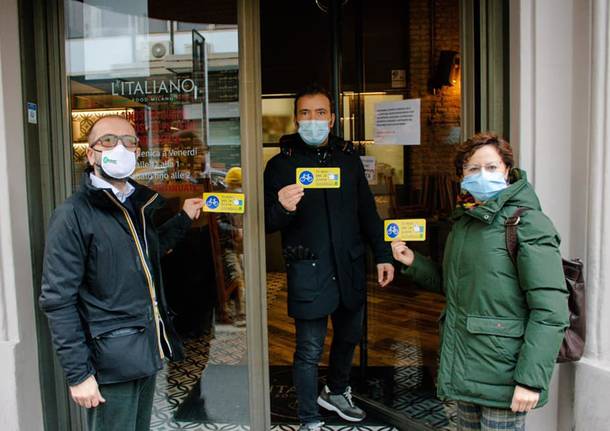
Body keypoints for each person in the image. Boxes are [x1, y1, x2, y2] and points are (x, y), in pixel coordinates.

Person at [391, 133, 569, 431]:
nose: (482, 175)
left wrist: (530, 380)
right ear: (461, 175)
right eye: (473, 169)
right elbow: (454, 286)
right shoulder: (463, 223)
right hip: (464, 365)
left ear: (507, 171)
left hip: (504, 374)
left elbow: (550, 310)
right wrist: (414, 262)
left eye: (491, 167)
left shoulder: (528, 223)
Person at [39, 115, 204, 431]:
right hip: (109, 360)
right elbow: (58, 301)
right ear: (91, 154)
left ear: (138, 152)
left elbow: (147, 255)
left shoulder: (136, 205)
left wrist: (183, 218)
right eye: (109, 140)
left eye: (129, 141)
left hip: (143, 350)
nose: (121, 147)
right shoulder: (73, 215)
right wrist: (79, 375)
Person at [264, 85, 395, 431]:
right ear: (296, 119)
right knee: (308, 348)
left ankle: (336, 392)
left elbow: (367, 213)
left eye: (320, 113)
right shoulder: (279, 166)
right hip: (309, 267)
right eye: (305, 113)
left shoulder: (348, 161)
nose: (313, 120)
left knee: (349, 335)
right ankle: (309, 417)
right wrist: (282, 207)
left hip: (349, 265)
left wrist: (383, 253)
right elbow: (265, 222)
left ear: (333, 119)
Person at [218, 166, 246, 325]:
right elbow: (218, 223)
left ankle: (236, 312)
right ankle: (238, 314)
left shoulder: (237, 197)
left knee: (237, 277)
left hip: (236, 246)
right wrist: (234, 231)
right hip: (228, 246)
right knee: (236, 277)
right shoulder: (225, 199)